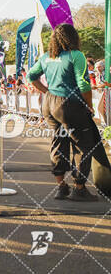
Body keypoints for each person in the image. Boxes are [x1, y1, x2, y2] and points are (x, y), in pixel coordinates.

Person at [27, 23, 110, 202]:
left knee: (58, 142)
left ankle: (61, 187)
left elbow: (31, 76)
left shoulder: (46, 57)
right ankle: (79, 189)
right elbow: (84, 84)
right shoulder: (76, 55)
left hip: (49, 105)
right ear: (73, 38)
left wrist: (46, 92)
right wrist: (89, 105)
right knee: (82, 146)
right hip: (69, 105)